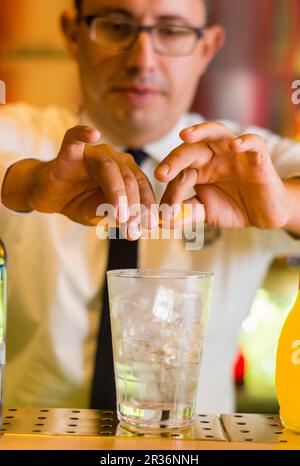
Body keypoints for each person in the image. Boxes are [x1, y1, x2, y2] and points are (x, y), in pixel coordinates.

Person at [1, 0, 300, 413]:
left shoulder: (249, 159)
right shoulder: (17, 134)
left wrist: (284, 203)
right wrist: (25, 183)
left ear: (207, 47)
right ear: (73, 34)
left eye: (172, 31)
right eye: (115, 26)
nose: (142, 59)